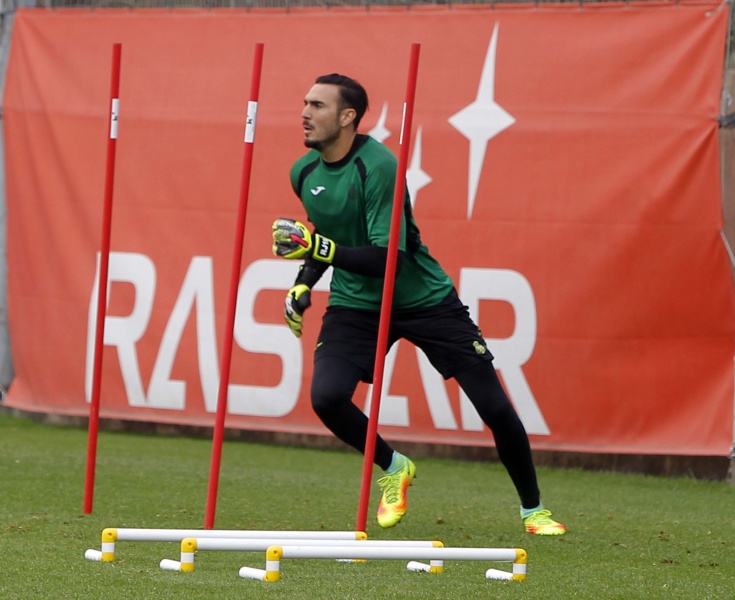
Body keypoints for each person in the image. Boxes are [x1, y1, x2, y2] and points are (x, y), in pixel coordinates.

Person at [271, 73, 565, 535]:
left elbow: (388, 258)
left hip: (423, 298)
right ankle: (394, 467)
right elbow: (327, 231)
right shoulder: (303, 172)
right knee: (327, 398)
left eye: (318, 105)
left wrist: (318, 248)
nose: (305, 113)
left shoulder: (380, 166)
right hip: (355, 303)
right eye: (305, 103)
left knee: (493, 406)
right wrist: (302, 283)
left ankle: (534, 511)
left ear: (348, 117)